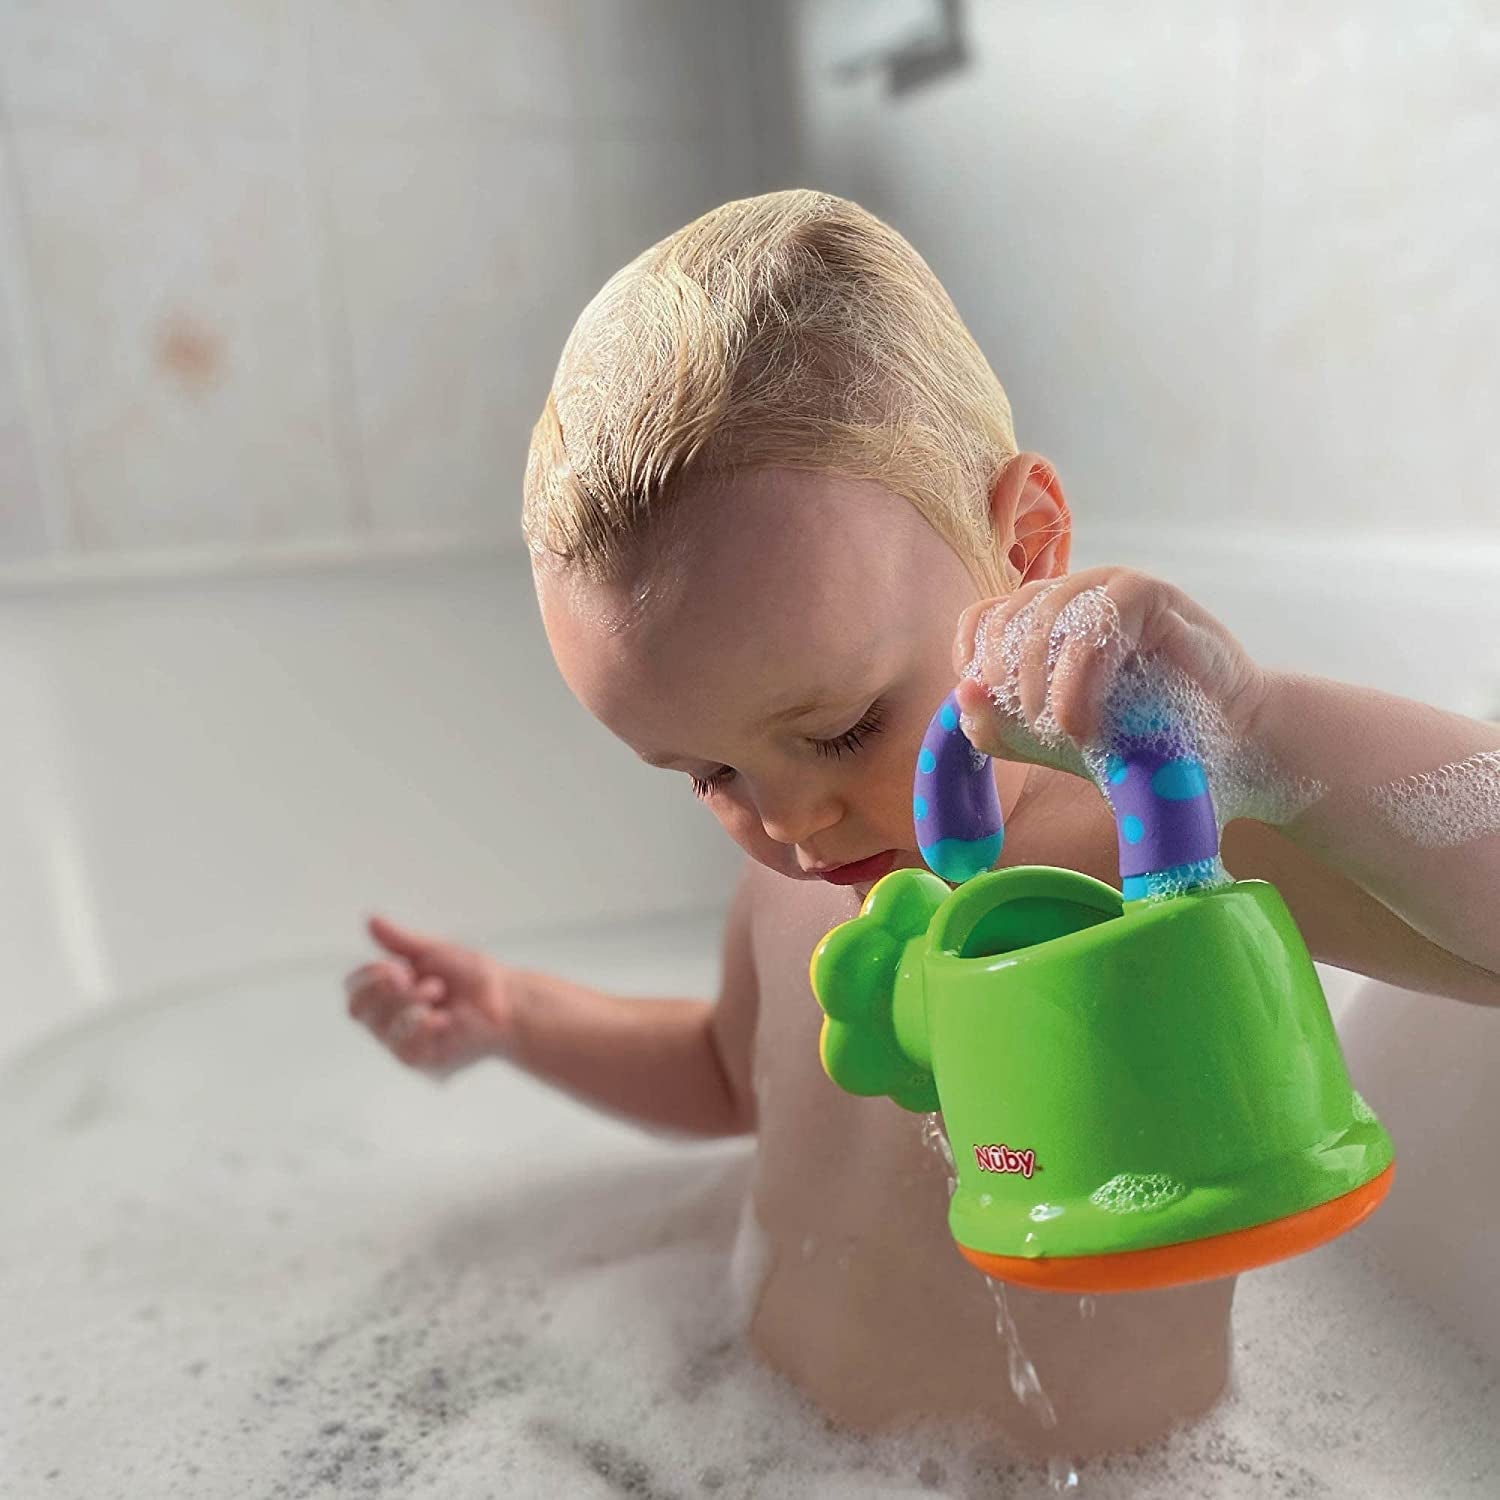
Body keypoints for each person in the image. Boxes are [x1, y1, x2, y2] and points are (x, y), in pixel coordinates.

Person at [345, 190, 1500, 1461]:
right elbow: (736, 1077)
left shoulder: (1164, 860)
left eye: (838, 729)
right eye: (703, 773)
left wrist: (1259, 728)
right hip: (756, 1446)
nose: (789, 819)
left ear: (1027, 546)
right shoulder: (808, 882)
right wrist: (521, 1017)